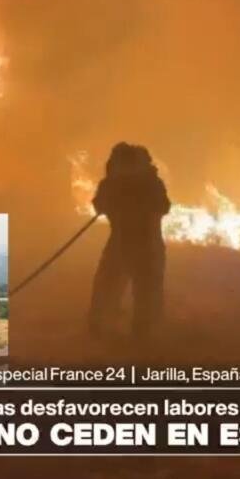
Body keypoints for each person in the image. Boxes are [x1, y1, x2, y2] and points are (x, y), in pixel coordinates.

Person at [88, 142, 171, 339]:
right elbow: (99, 205)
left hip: (145, 245)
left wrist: (131, 206)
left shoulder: (150, 184)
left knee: (144, 292)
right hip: (124, 243)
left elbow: (163, 207)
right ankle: (100, 328)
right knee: (108, 287)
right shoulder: (112, 183)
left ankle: (142, 334)